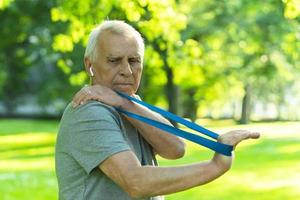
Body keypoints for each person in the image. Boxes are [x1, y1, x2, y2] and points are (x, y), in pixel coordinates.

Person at [55, 20, 260, 200]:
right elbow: (136, 182)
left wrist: (126, 104)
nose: (127, 71)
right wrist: (215, 166)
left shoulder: (128, 104)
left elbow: (176, 148)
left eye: (134, 61)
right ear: (90, 65)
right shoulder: (89, 112)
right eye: (114, 60)